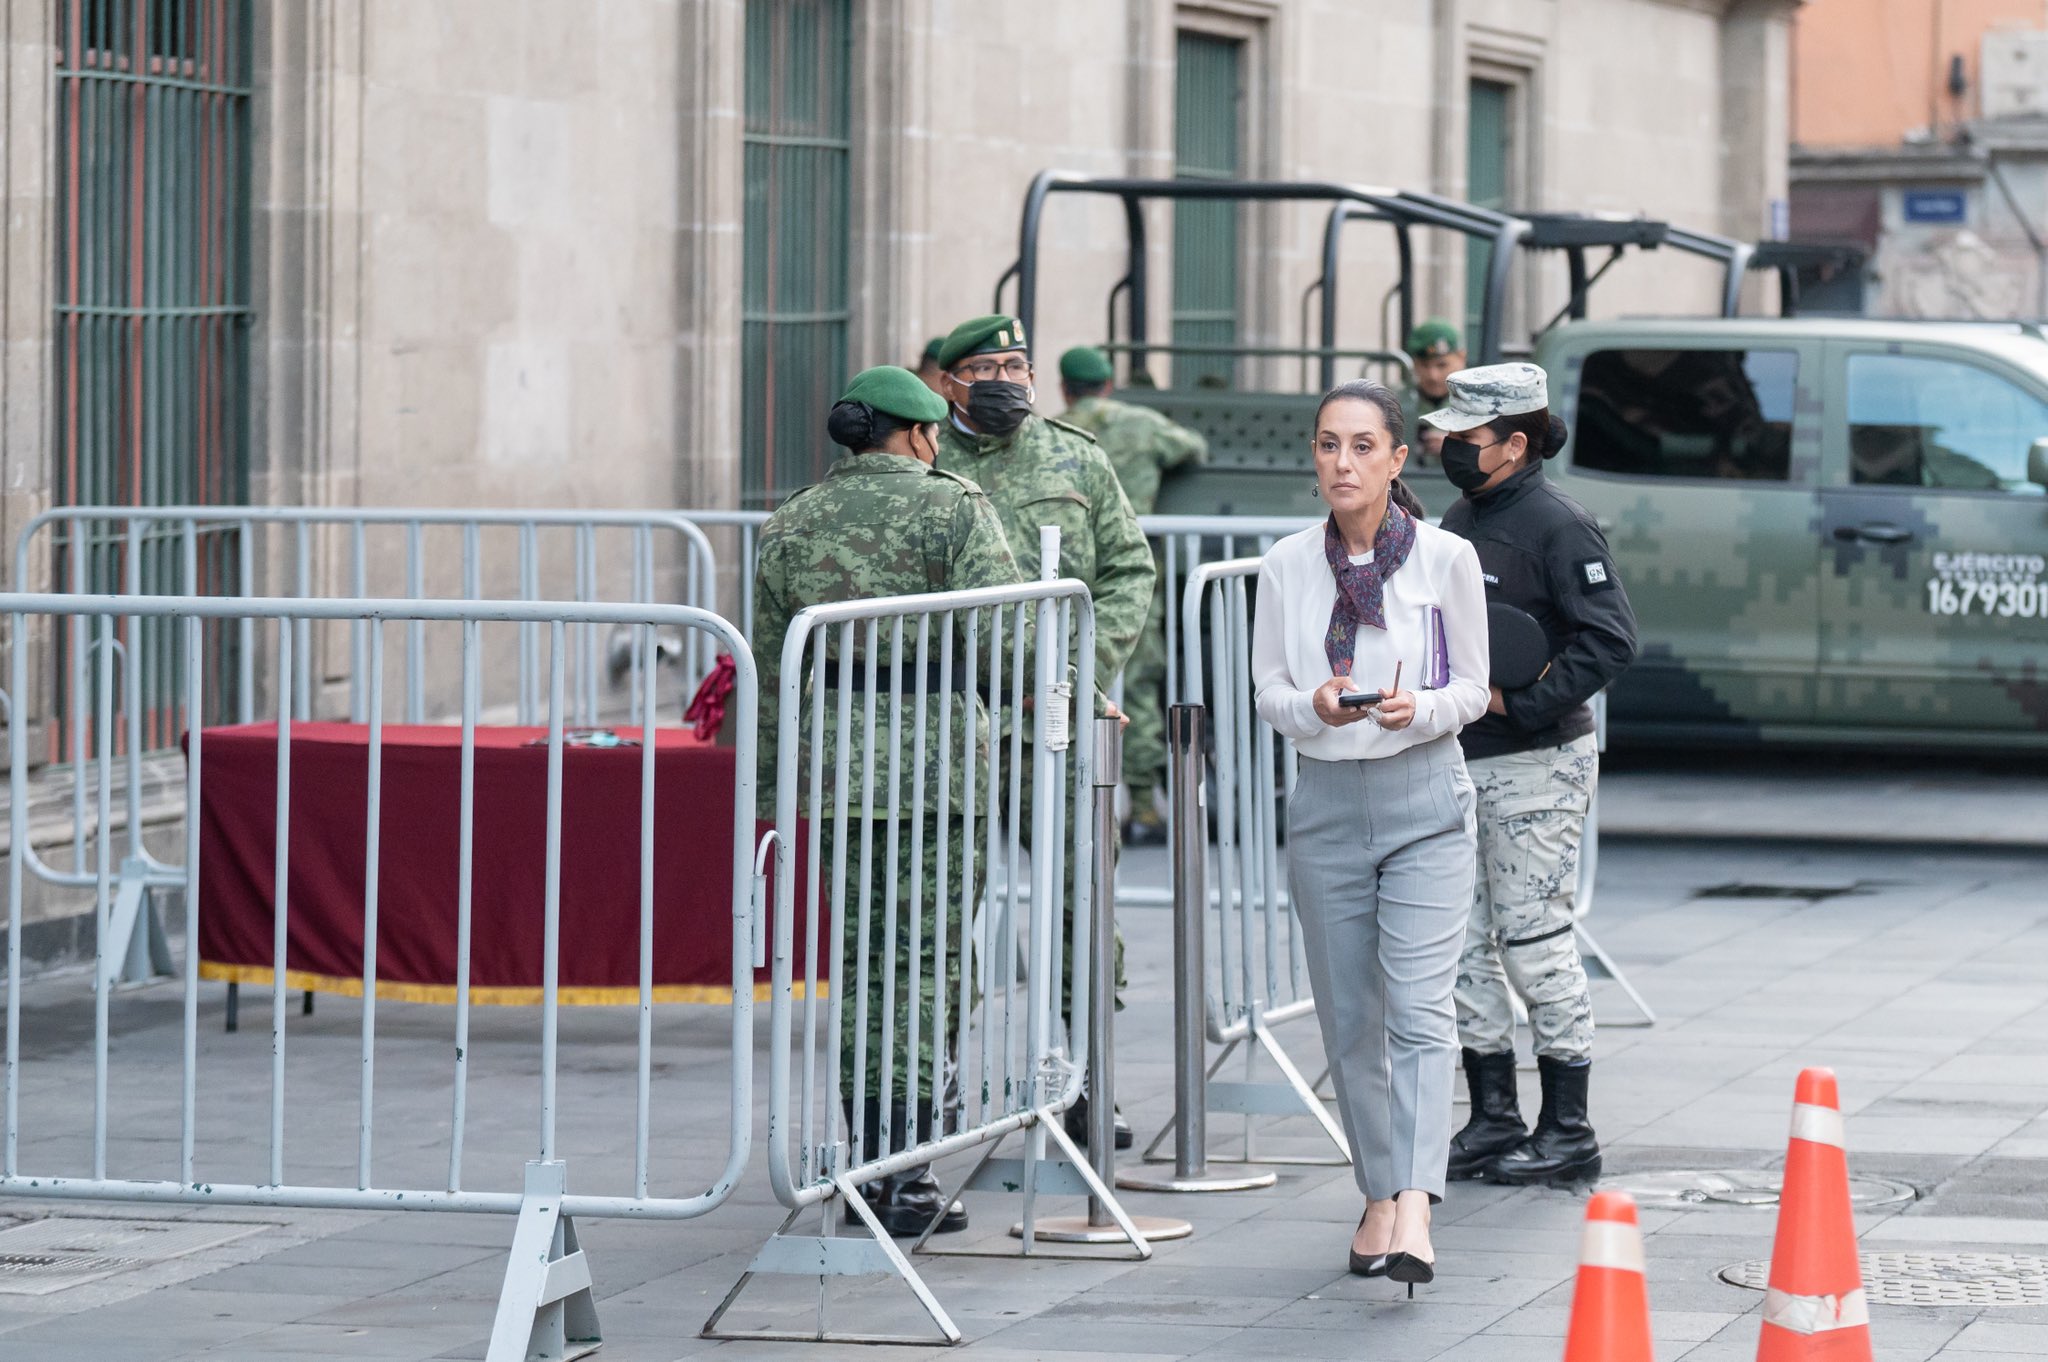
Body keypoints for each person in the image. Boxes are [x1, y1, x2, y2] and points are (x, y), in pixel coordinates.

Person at [754, 365, 1027, 1237]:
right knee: (926, 961)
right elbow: (1010, 638)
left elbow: (769, 672)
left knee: (863, 963)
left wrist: (773, 786)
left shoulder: (790, 519)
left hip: (835, 766)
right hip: (935, 768)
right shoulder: (952, 508)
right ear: (916, 434)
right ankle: (905, 1171)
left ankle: (865, 1161)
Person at [1250, 380, 1489, 1291]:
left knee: (1422, 1009)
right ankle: (1378, 1188)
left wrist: (1417, 708)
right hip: (1324, 805)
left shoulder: (1446, 559)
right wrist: (1312, 706)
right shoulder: (1285, 565)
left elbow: (1472, 687)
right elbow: (1267, 689)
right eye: (1325, 446)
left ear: (1398, 459)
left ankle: (1416, 1204)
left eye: (1360, 446)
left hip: (1425, 800)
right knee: (1353, 1016)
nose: (1341, 463)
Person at [932, 314, 1154, 1148]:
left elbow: (1130, 569)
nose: (1005, 379)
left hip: (1057, 722)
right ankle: (938, 1075)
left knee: (1083, 897)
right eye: (984, 365)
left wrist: (1087, 671)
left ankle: (1088, 1074)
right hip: (957, 723)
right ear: (948, 381)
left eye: (1017, 365)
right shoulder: (921, 459)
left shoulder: (1076, 457)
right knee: (947, 904)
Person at [1428, 363, 1639, 1189]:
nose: (1446, 447)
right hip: (1466, 758)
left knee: (1533, 937)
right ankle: (1492, 1118)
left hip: (1538, 764)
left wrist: (1523, 704)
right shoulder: (1460, 514)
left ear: (1515, 444)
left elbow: (1612, 639)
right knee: (1466, 942)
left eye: (1465, 438)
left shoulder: (1560, 526)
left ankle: (1569, 1128)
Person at [1055, 343, 1208, 845]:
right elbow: (1193, 448)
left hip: (1070, 574)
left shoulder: (1054, 432)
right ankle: (1142, 806)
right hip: (1133, 573)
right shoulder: (1140, 423)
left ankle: (1071, 797)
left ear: (1063, 387)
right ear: (1106, 384)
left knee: (1063, 680)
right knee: (1137, 686)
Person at [1403, 320, 1466, 464]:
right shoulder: (1396, 403)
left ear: (1462, 357)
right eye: (1424, 365)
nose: (1433, 375)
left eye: (1442, 365)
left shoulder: (1481, 403)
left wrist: (1459, 447)